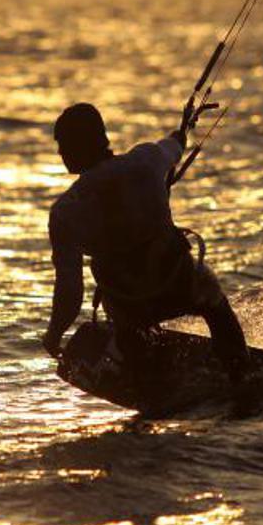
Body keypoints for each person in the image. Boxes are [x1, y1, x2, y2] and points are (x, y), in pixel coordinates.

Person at [41, 101, 249, 383]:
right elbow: (173, 146)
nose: (60, 152)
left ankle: (139, 362)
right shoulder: (145, 160)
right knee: (215, 305)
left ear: (80, 146)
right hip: (177, 286)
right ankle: (240, 371)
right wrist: (180, 135)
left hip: (131, 305)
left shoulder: (65, 211)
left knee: (123, 319)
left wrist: (54, 335)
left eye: (64, 144)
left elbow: (70, 292)